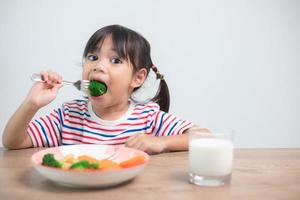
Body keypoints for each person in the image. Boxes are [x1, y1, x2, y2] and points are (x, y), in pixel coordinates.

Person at [2, 24, 195, 154]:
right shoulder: (69, 116)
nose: (98, 66)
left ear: (137, 78)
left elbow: (202, 136)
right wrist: (31, 104)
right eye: (93, 57)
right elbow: (12, 142)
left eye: (115, 60)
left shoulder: (148, 118)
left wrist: (161, 142)